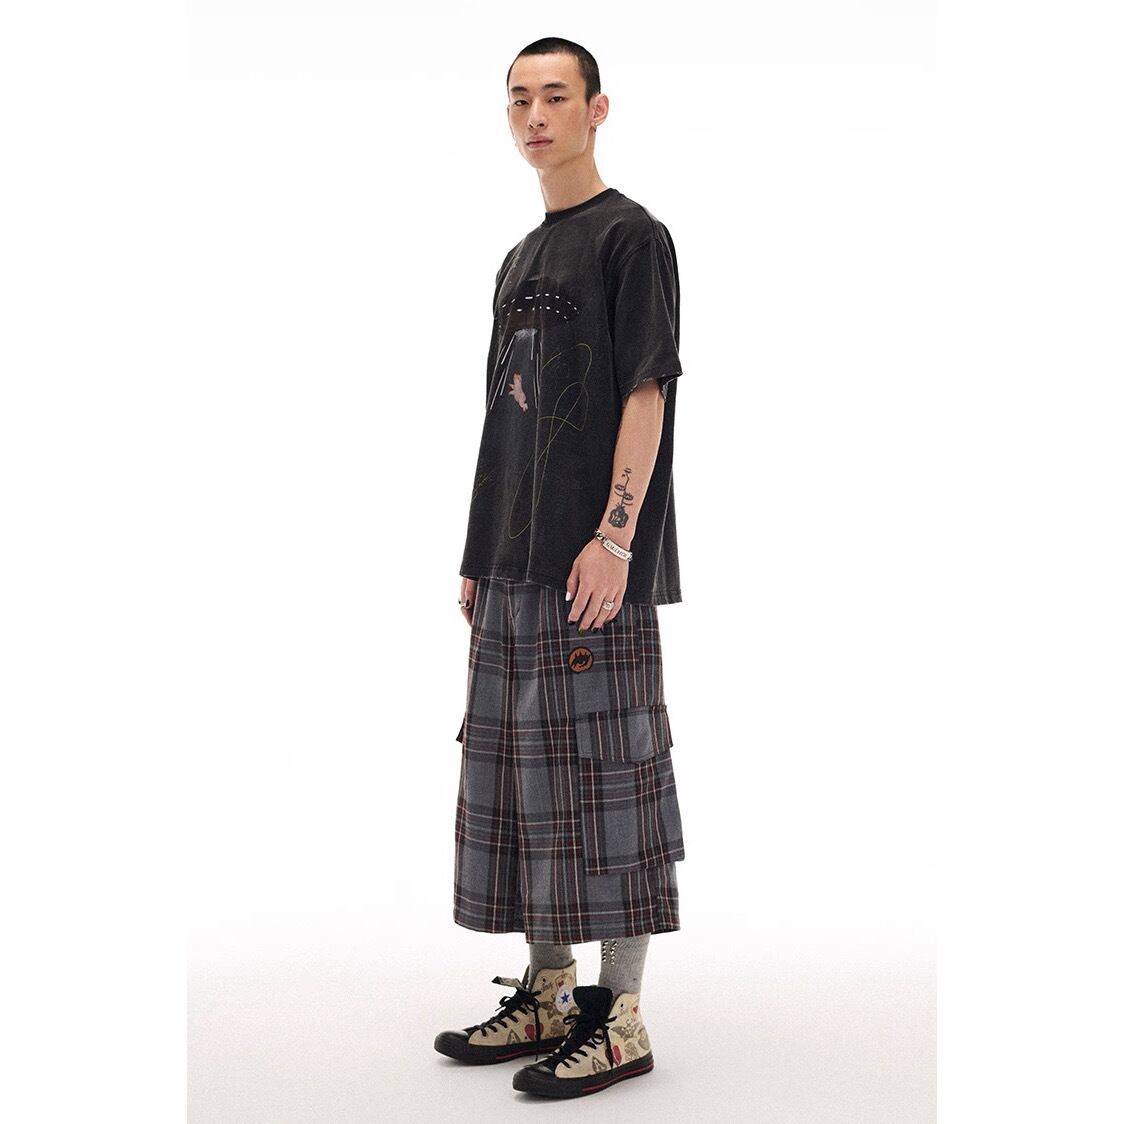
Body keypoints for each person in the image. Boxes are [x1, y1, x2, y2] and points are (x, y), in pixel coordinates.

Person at [433, 37, 687, 1099]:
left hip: (593, 564)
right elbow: (504, 413)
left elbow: (646, 391)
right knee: (527, 780)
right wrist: (478, 551)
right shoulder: (517, 259)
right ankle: (545, 991)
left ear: (596, 109)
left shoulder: (632, 237)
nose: (535, 116)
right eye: (518, 100)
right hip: (514, 561)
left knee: (610, 774)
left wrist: (616, 537)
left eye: (555, 96)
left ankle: (618, 1015)